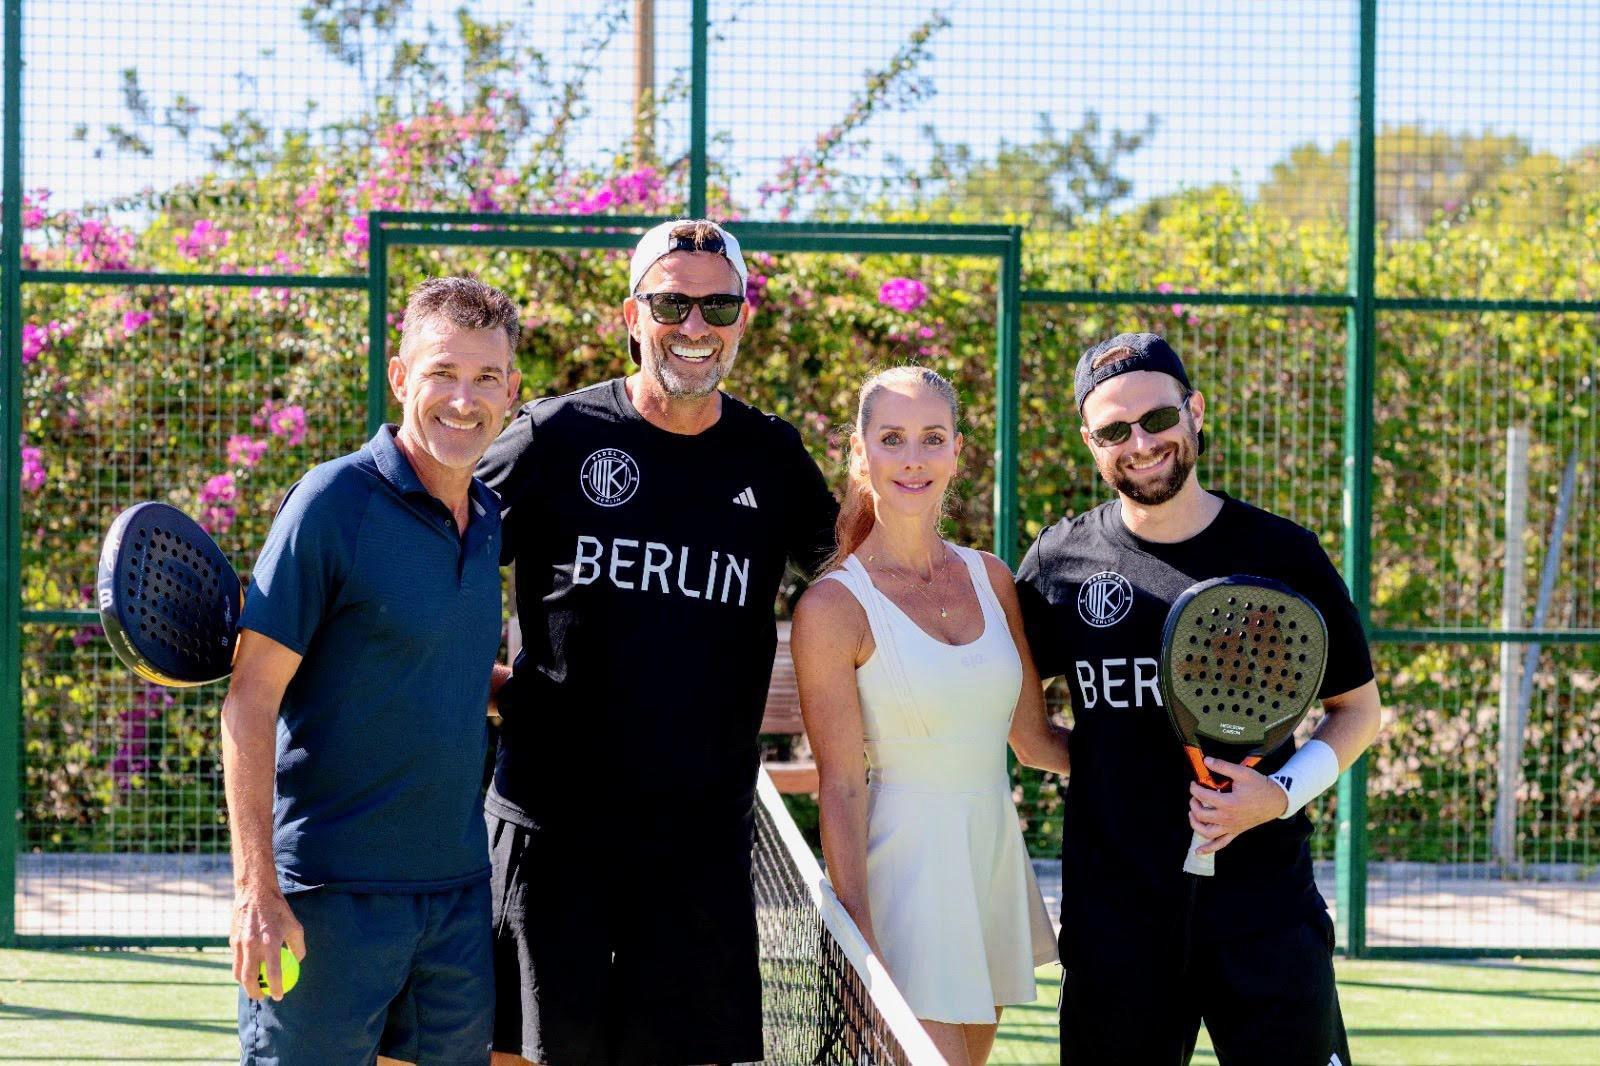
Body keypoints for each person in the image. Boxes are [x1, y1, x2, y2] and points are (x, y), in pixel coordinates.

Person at [475, 218, 839, 1066]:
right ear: (633, 316)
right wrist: (486, 683)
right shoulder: (552, 435)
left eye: (719, 306)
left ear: (743, 318)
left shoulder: (772, 456)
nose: (696, 327)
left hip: (698, 845)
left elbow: (855, 586)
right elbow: (434, 558)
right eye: (672, 303)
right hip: (551, 828)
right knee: (522, 1056)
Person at [1015, 332, 1383, 1065]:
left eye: (1157, 419)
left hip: (1265, 911)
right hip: (1118, 918)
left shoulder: (1282, 553)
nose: (1141, 443)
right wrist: (1121, 783)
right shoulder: (1059, 564)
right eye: (1114, 431)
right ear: (1091, 443)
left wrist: (1274, 795)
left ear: (1195, 412)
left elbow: (1358, 712)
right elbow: (1030, 738)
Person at [222, 275, 522, 1065]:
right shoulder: (332, 504)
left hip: (455, 897)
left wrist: (519, 693)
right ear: (400, 378)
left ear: (512, 391)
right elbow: (251, 697)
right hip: (325, 899)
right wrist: (257, 889)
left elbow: (421, 654)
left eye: (486, 378)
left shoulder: (486, 517)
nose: (464, 400)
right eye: (442, 374)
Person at [790, 365, 1069, 1066]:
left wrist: (1148, 767)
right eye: (891, 438)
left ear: (956, 451)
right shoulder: (832, 607)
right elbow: (843, 784)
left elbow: (1033, 740)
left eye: (930, 437)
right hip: (902, 884)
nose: (912, 458)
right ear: (861, 454)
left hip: (988, 861)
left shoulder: (993, 577)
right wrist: (859, 934)